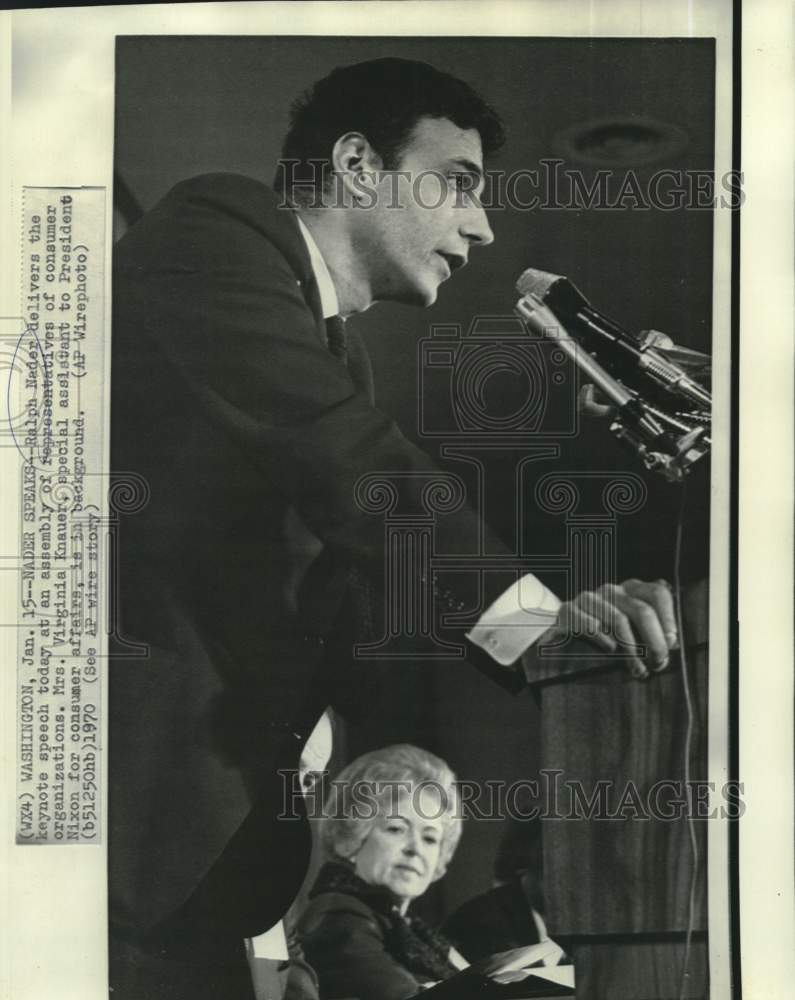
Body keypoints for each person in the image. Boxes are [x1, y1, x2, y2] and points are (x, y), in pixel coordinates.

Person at [109, 57, 678, 999]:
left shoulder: (339, 356)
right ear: (357, 165)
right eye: (457, 182)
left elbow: (386, 574)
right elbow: (350, 462)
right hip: (129, 839)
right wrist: (535, 619)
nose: (483, 225)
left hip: (201, 869)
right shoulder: (215, 229)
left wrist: (554, 649)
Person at [298, 745, 468, 1000]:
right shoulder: (338, 918)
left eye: (430, 838)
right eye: (396, 829)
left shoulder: (403, 925)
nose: (415, 849)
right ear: (353, 836)